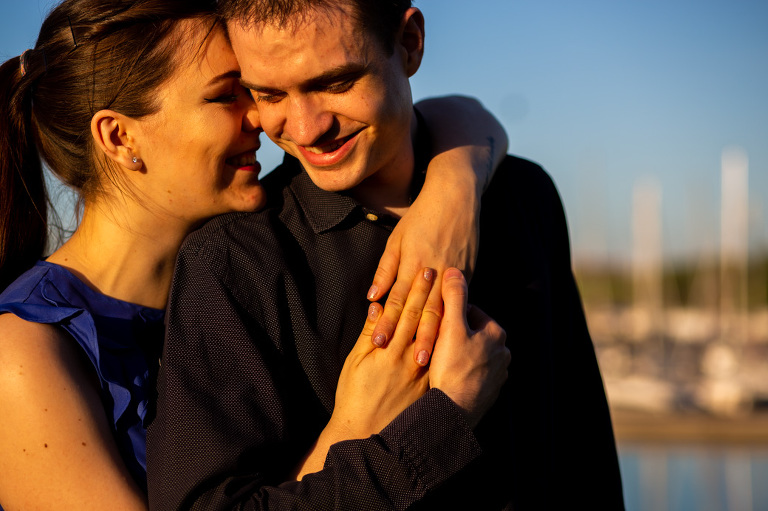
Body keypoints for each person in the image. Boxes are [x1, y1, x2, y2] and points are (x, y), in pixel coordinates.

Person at [0, 0, 510, 509]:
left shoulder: (231, 282)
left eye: (254, 92)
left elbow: (446, 112)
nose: (265, 120)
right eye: (230, 95)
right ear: (120, 136)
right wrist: (361, 427)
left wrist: (454, 185)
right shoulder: (22, 358)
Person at [148, 0, 625, 510]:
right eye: (269, 94)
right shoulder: (233, 261)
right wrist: (441, 421)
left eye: (335, 83)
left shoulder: (525, 195)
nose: (306, 129)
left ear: (410, 43)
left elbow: (584, 449)